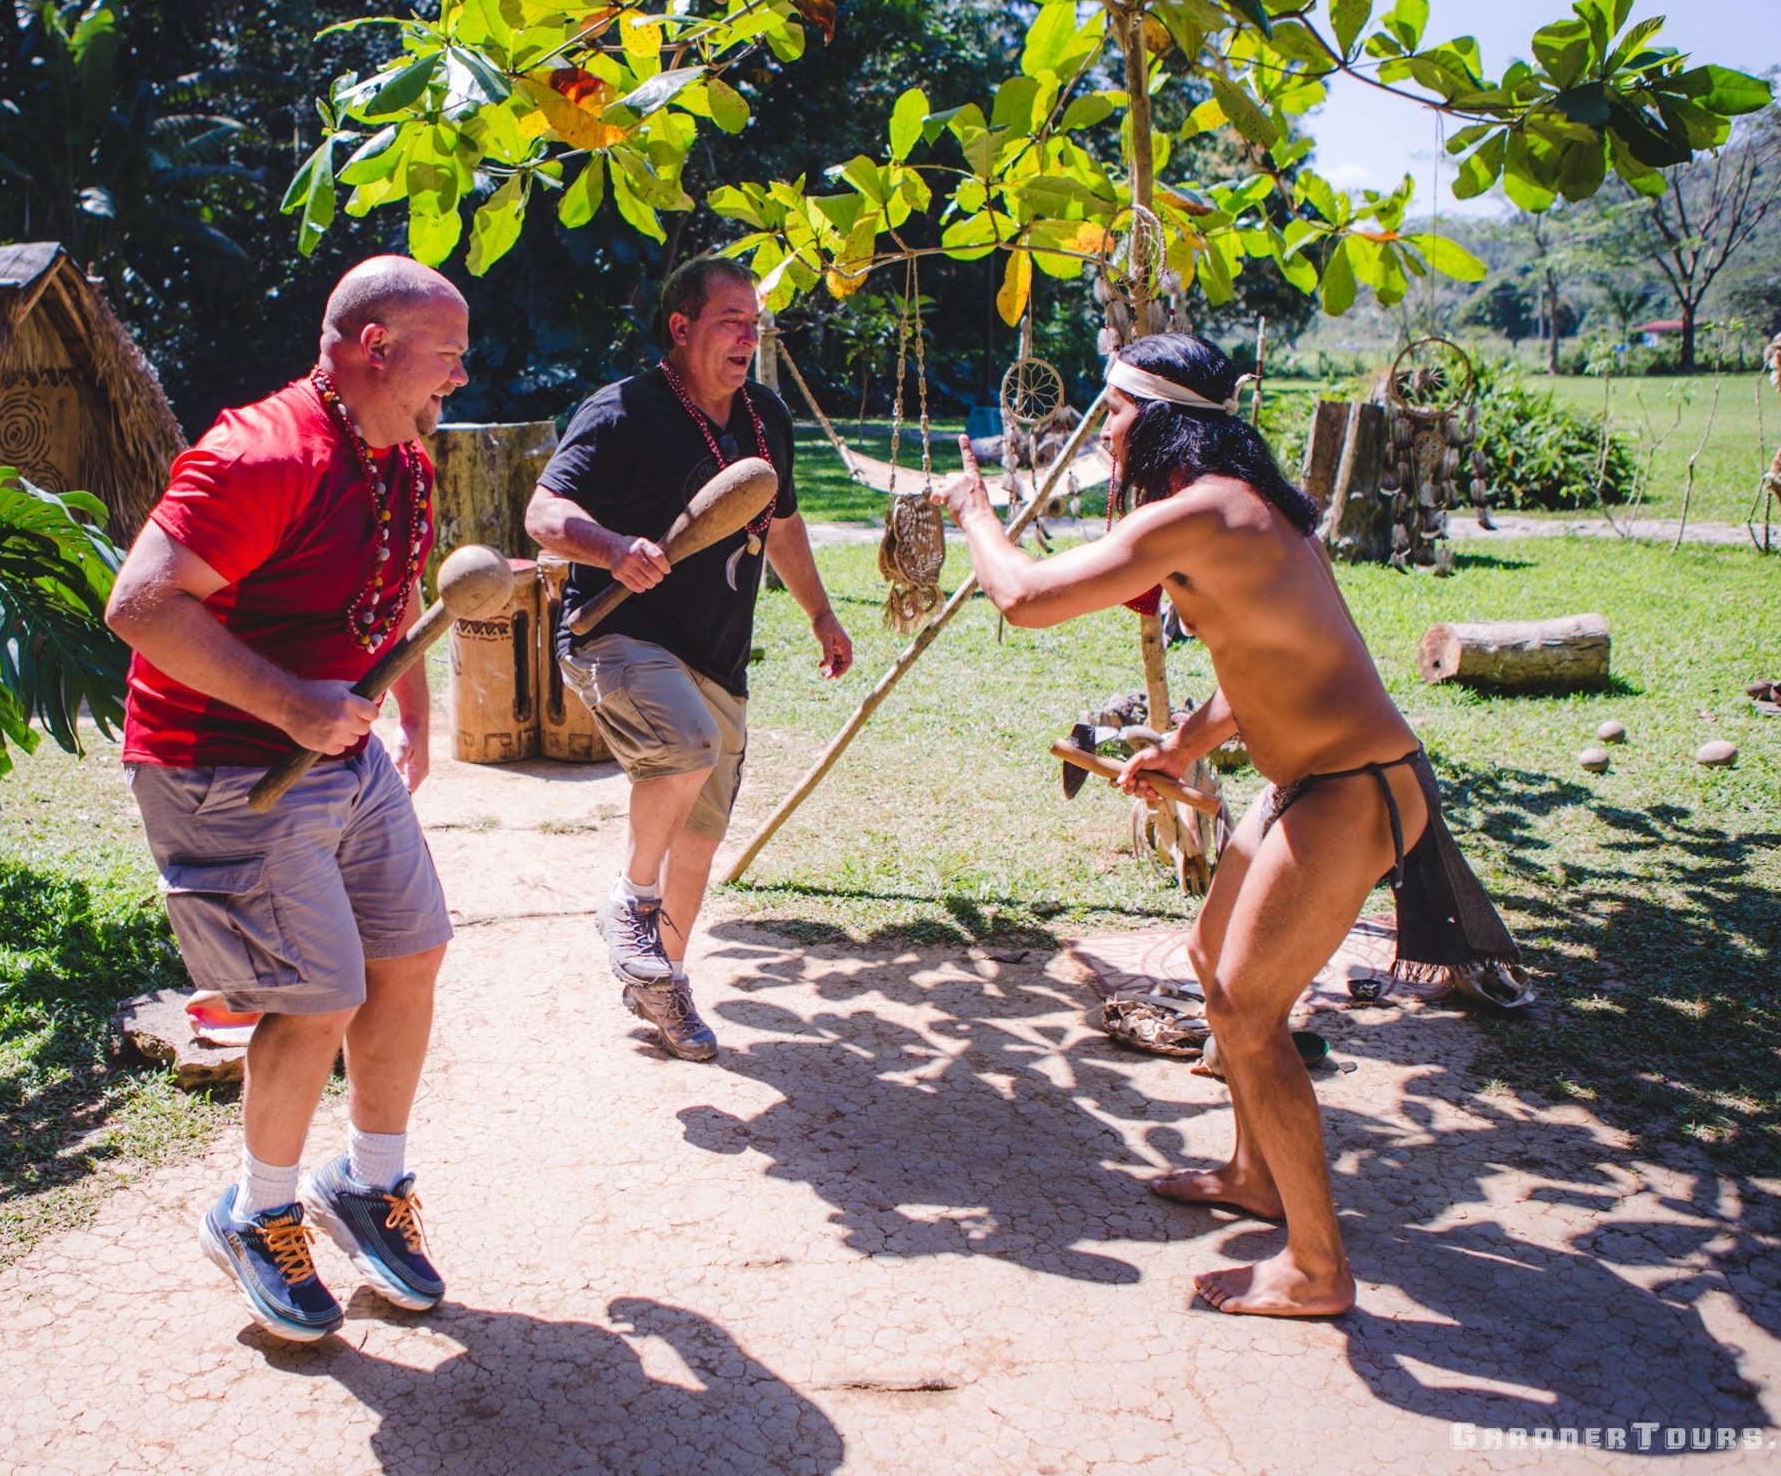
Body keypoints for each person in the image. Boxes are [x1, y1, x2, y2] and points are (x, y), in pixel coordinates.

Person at [929, 331, 1519, 1319]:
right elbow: (1263, 662)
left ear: (1156, 419)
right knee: (1214, 965)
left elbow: (1024, 597)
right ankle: (1254, 1173)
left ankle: (1319, 1267)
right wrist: (1180, 745)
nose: (1105, 432)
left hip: (1352, 786)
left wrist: (976, 511)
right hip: (1316, 781)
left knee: (1246, 1012)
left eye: (1115, 413)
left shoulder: (1206, 512)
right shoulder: (1235, 509)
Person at [104, 254, 470, 1342]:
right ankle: (256, 1212)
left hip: (336, 752)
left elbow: (392, 584)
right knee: (316, 996)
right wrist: (292, 707)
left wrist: (407, 711)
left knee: (409, 954)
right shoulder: (262, 453)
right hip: (226, 767)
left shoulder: (401, 451)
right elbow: (142, 605)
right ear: (375, 349)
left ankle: (368, 1186)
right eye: (445, 355)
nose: (459, 376)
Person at [526, 257, 854, 1060]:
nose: (749, 335)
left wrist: (821, 614)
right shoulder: (622, 412)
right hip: (615, 632)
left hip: (718, 654)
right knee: (685, 747)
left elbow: (780, 526)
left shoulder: (765, 416)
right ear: (681, 328)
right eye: (730, 320)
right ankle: (627, 901)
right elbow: (542, 512)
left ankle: (660, 980)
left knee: (701, 839)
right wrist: (609, 547)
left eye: (754, 322)